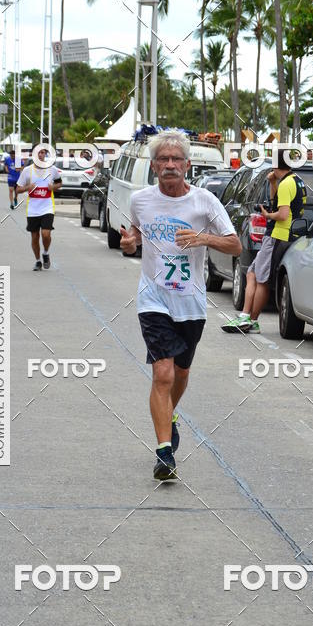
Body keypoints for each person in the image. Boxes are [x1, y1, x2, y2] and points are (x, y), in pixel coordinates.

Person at [120, 130, 241, 481]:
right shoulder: (141, 201)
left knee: (182, 373)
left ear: (187, 165)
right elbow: (134, 237)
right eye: (163, 159)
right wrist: (130, 244)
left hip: (190, 302)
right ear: (154, 166)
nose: (170, 165)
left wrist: (203, 237)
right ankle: (164, 453)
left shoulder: (204, 201)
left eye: (176, 159)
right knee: (163, 372)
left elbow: (235, 246)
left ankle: (171, 415)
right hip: (153, 298)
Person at [222, 150, 306, 333]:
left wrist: (267, 215)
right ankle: (249, 319)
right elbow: (277, 201)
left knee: (260, 278)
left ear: (276, 165)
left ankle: (248, 319)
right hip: (284, 235)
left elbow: (282, 214)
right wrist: (272, 181)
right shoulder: (295, 181)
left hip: (277, 235)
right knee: (254, 274)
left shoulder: (286, 185)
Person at [16, 148, 62, 270]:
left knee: (46, 234)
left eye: (43, 153)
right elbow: (18, 189)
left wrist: (53, 187)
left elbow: (59, 183)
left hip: (47, 207)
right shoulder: (27, 171)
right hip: (33, 209)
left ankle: (45, 253)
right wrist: (28, 187)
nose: (41, 155)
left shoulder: (51, 169)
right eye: (38, 153)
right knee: (35, 236)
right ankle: (37, 261)